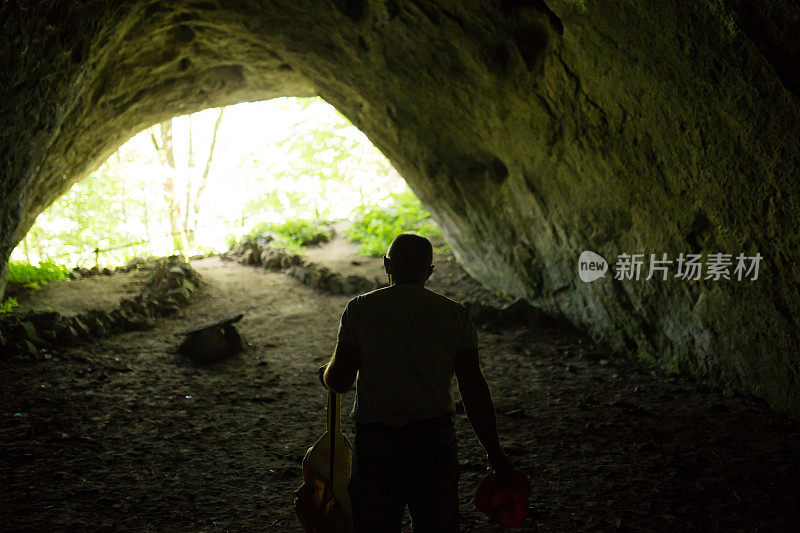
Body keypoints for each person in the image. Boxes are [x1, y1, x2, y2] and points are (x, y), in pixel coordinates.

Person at [318, 232, 517, 532]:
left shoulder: (360, 309)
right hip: (434, 443)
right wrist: (494, 452)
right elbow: (473, 388)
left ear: (387, 265)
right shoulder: (455, 315)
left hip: (377, 444)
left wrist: (325, 372)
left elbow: (340, 380)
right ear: (430, 272)